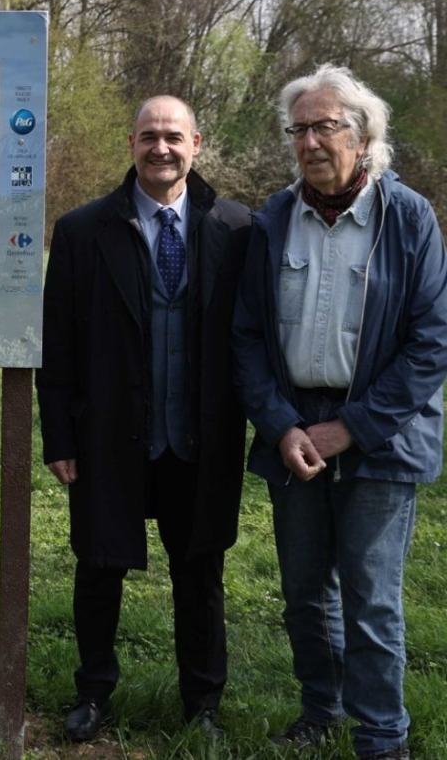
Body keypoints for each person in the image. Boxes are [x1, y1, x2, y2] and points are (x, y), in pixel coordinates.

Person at [232, 65, 447, 760]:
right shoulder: (271, 220)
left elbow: (432, 340)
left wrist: (350, 427)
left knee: (371, 598)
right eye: (300, 129)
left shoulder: (408, 217)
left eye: (326, 126)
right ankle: (320, 709)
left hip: (380, 437)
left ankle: (383, 735)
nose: (311, 142)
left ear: (365, 136)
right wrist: (281, 424)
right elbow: (247, 337)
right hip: (294, 429)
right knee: (302, 592)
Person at [36, 96, 251, 741]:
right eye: (149, 137)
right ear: (131, 142)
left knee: (200, 575)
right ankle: (93, 693)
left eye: (174, 137)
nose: (162, 148)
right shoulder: (82, 230)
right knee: (98, 567)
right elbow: (58, 345)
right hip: (108, 435)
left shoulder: (238, 229)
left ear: (197, 143)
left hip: (200, 439)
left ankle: (203, 704)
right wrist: (60, 436)